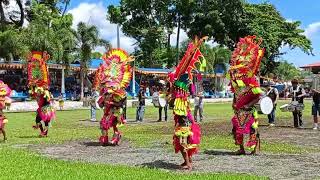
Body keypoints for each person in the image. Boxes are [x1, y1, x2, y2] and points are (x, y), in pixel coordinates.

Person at [168, 37, 204, 170]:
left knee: (182, 140)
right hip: (184, 117)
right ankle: (187, 161)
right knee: (183, 140)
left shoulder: (179, 97)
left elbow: (173, 103)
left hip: (183, 119)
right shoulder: (180, 96)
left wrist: (172, 89)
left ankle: (188, 163)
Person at [228, 36, 264, 155]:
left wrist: (248, 105)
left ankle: (253, 149)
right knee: (237, 129)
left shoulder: (251, 78)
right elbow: (235, 92)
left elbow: (258, 96)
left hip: (249, 110)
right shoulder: (234, 79)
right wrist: (234, 102)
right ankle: (241, 148)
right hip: (238, 110)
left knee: (252, 128)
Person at [95, 49, 133, 145]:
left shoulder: (118, 90)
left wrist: (112, 103)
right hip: (107, 111)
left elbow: (121, 102)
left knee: (114, 125)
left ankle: (115, 137)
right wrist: (103, 100)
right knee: (104, 125)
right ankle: (105, 138)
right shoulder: (105, 89)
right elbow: (101, 102)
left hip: (115, 112)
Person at [27, 51, 56, 137]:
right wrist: (32, 84)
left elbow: (43, 79)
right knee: (38, 120)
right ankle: (43, 132)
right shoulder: (35, 70)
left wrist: (42, 89)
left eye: (37, 61)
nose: (35, 63)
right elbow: (34, 78)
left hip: (46, 108)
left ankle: (44, 132)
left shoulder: (44, 91)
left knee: (44, 121)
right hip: (42, 108)